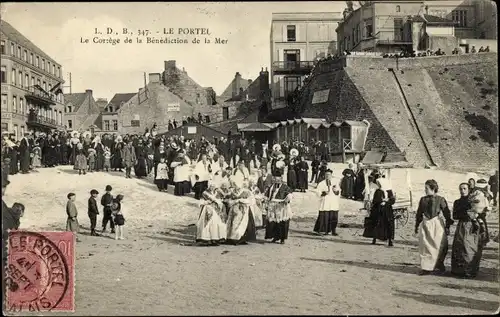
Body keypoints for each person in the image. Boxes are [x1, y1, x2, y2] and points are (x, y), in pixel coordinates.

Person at [415, 179, 454, 275]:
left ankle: (439, 264)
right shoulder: (423, 199)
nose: (425, 190)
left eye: (426, 188)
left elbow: (447, 213)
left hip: (437, 224)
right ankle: (426, 267)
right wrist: (416, 225)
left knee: (439, 245)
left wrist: (448, 225)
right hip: (426, 224)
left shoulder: (440, 199)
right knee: (425, 246)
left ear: (433, 188)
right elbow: (419, 213)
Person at [451, 183, 486, 278]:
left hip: (472, 227)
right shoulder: (457, 202)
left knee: (470, 248)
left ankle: (469, 271)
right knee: (459, 247)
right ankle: (458, 270)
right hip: (462, 226)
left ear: (468, 190)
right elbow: (455, 216)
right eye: (461, 189)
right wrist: (466, 214)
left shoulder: (473, 200)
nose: (462, 191)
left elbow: (481, 213)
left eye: (464, 188)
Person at [264, 168, 293, 244]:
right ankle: (275, 237)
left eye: (278, 178)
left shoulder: (285, 187)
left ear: (281, 178)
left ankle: (282, 238)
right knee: (274, 223)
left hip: (281, 206)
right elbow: (267, 196)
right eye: (275, 178)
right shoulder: (271, 187)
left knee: (282, 223)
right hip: (272, 206)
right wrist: (266, 202)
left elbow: (290, 194)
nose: (276, 179)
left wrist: (287, 199)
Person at [363, 178, 396, 246]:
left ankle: (390, 240)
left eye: (379, 184)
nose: (378, 185)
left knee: (388, 225)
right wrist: (381, 201)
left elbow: (392, 200)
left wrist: (386, 202)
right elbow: (375, 200)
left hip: (387, 211)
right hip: (379, 210)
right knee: (377, 224)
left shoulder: (389, 191)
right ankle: (374, 239)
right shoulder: (378, 191)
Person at [226, 176, 256, 245]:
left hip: (243, 210)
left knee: (242, 224)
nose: (236, 186)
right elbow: (229, 200)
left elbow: (251, 200)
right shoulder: (232, 191)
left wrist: (240, 200)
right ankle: (233, 238)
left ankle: (241, 239)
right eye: (235, 185)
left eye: (237, 184)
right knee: (233, 223)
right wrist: (233, 202)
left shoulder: (246, 191)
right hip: (234, 209)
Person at [195, 180, 227, 246]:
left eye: (213, 186)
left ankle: (215, 239)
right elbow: (201, 202)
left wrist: (219, 202)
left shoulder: (217, 193)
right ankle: (206, 239)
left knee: (216, 224)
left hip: (216, 210)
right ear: (208, 186)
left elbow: (221, 200)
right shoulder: (205, 193)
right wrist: (206, 202)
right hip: (208, 209)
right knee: (207, 224)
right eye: (211, 186)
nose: (212, 187)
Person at [314, 169, 341, 236]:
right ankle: (324, 230)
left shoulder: (335, 182)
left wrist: (336, 191)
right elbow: (317, 192)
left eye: (329, 175)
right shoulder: (321, 183)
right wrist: (323, 193)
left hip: (333, 201)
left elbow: (338, 191)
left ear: (331, 175)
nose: (327, 176)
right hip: (325, 201)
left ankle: (333, 231)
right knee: (324, 216)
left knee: (333, 217)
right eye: (326, 175)